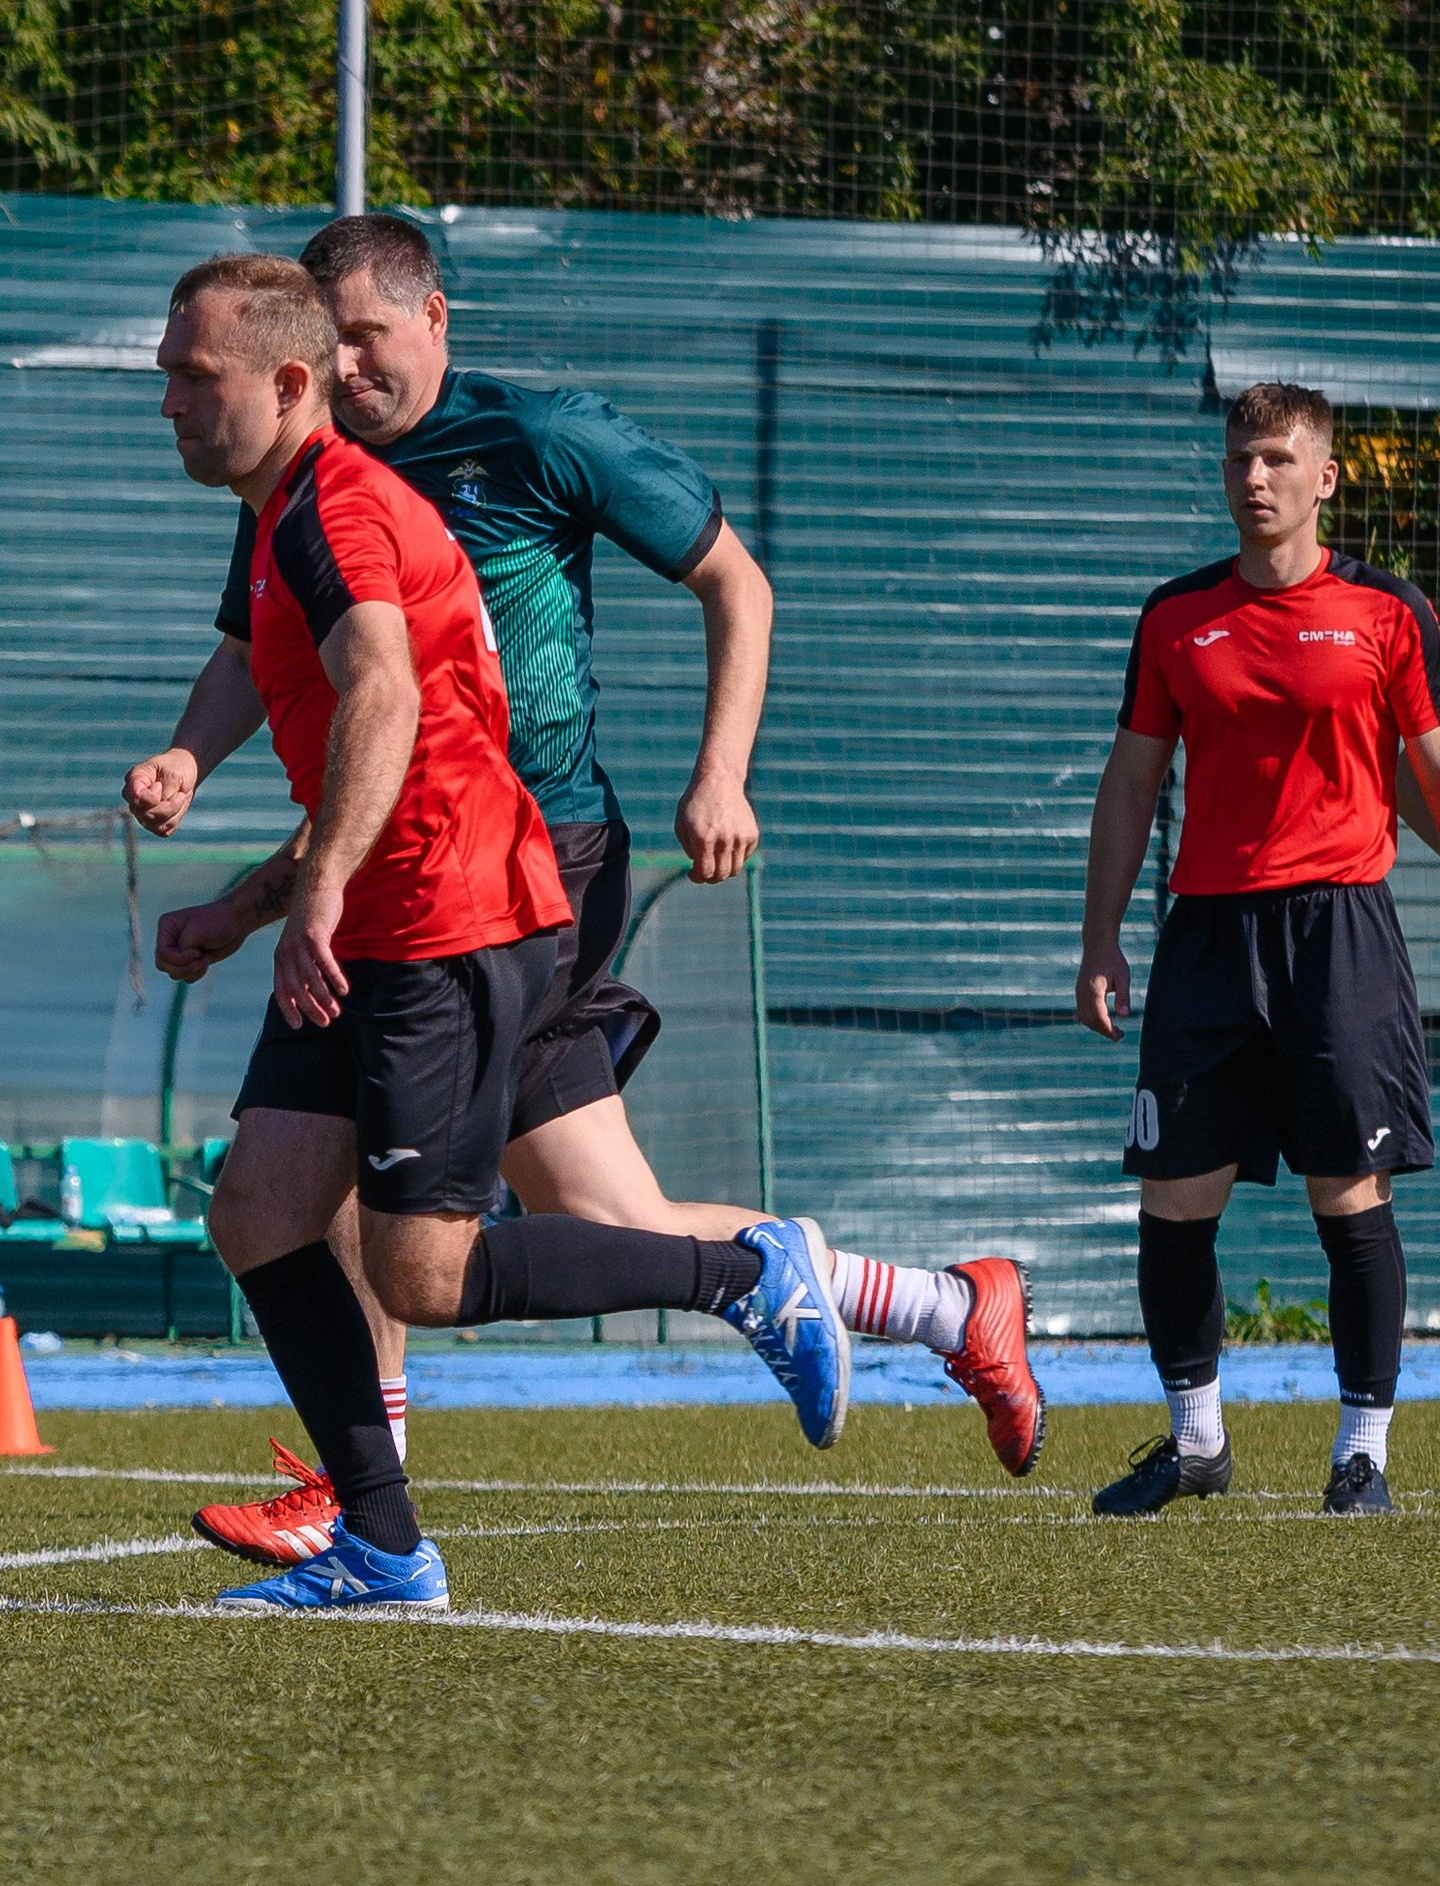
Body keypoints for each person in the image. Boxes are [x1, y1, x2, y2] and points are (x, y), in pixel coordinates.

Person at [130, 214, 1039, 1567]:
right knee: (322, 1201)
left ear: (417, 327)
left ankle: (373, 1490)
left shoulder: (482, 454)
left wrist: (720, 772)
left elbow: (708, 592)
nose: (171, 401)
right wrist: (234, 833)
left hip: (495, 881)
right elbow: (324, 694)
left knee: (408, 1251)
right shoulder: (292, 501)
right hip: (404, 877)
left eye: (367, 336)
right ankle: (934, 1307)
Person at [1078, 379, 1440, 1517]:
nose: (1254, 477)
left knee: (1348, 1191)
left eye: (1279, 459)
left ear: (1325, 476)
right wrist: (1100, 940)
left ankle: (1363, 1455)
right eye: (1239, 457)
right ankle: (1196, 1444)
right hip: (1206, 936)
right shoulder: (1176, 616)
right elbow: (1133, 782)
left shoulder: (1389, 613)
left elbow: (1429, 773)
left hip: (1340, 930)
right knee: (1174, 1198)